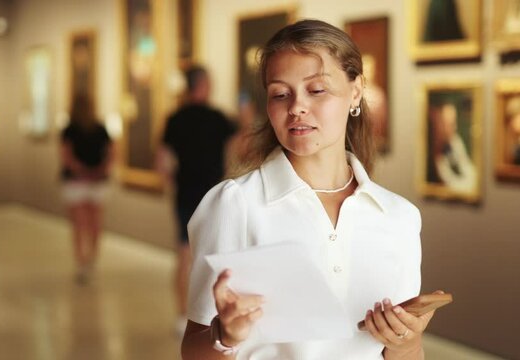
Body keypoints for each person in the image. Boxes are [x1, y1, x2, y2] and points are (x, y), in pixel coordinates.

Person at [182, 19, 441, 359]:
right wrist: (225, 336)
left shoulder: (400, 218)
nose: (296, 107)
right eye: (280, 94)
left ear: (356, 91)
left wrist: (407, 342)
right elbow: (193, 352)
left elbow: (403, 355)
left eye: (316, 90)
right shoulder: (234, 205)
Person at [156, 64, 236, 336]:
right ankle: (210, 313)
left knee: (184, 255)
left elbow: (162, 161)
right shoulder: (218, 118)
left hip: (186, 193)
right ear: (203, 84)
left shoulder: (175, 118)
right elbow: (238, 151)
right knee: (216, 254)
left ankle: (182, 315)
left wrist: (172, 182)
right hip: (214, 194)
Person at [60, 94, 114, 285]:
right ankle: (89, 259)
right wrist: (96, 171)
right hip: (91, 180)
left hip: (80, 181)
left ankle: (84, 261)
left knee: (82, 225)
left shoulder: (73, 129)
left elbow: (66, 155)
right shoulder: (96, 128)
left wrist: (83, 171)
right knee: (92, 223)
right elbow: (110, 153)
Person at [427, 100, 477, 194]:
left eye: (454, 123)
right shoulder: (434, 151)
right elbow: (448, 183)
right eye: (450, 124)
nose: (455, 128)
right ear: (439, 124)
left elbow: (469, 171)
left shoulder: (455, 141)